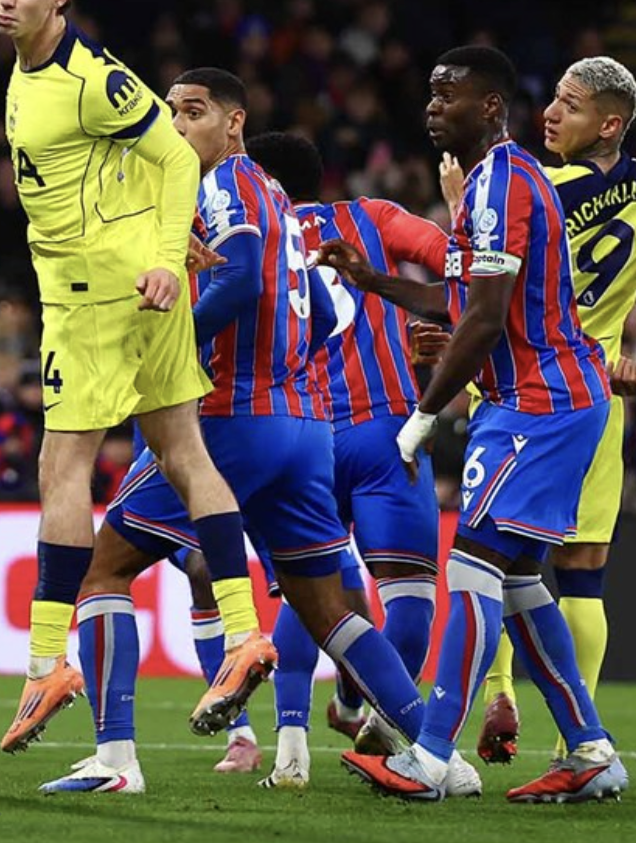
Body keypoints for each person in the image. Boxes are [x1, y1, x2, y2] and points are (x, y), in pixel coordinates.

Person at [42, 70, 437, 797]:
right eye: (169, 113)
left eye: (193, 112)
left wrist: (164, 352)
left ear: (234, 124)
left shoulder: (222, 184)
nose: (176, 126)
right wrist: (285, 373)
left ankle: (115, 760)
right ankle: (439, 755)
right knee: (325, 606)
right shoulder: (279, 201)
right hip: (303, 427)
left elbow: (244, 281)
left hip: (232, 422)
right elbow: (324, 313)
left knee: (102, 571)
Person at [0, 0, 271, 754]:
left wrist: (162, 256)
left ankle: (47, 662)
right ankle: (244, 630)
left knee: (62, 468)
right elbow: (137, 169)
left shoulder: (88, 80)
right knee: (183, 455)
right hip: (134, 288)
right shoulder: (40, 68)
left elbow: (177, 157)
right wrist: (164, 241)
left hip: (95, 299)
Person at [326, 46, 628, 802]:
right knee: (518, 580)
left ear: (490, 106)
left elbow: (485, 319)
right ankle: (591, 750)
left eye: (448, 94)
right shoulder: (492, 184)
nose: (432, 106)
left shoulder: (501, 182)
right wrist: (372, 280)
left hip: (538, 402)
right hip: (545, 400)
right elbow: (459, 302)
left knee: (470, 567)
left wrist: (424, 413)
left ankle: (429, 758)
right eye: (430, 93)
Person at [462, 56, 636, 764]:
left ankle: (499, 690)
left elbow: (483, 280)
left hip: (517, 388)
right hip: (596, 395)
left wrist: (456, 201)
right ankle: (577, 740)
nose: (550, 113)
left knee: (493, 557)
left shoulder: (531, 184)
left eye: (569, 105)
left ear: (610, 123)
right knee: (583, 572)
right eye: (553, 99)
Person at [243, 130, 452, 784]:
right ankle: (382, 729)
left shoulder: (249, 237)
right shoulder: (372, 217)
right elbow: (453, 257)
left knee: (307, 593)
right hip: (387, 431)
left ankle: (291, 748)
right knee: (410, 597)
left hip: (299, 436)